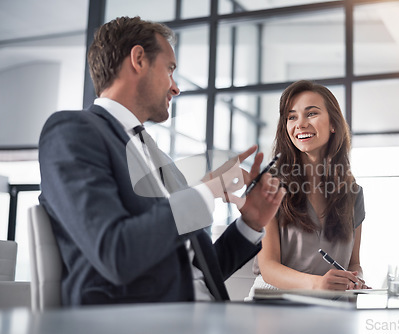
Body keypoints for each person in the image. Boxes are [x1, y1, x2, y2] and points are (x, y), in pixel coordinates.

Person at [38, 16, 285, 306]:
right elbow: (115, 253)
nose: (175, 87)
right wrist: (206, 191)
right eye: (169, 70)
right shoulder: (72, 131)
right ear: (138, 59)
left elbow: (195, 273)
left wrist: (251, 223)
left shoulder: (157, 158)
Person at [249, 80, 368, 296]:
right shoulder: (269, 185)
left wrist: (355, 278)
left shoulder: (353, 193)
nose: (300, 124)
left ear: (333, 124)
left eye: (311, 114)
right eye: (292, 117)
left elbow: (354, 263)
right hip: (274, 303)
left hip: (331, 305)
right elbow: (268, 267)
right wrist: (317, 284)